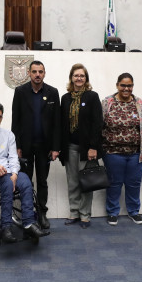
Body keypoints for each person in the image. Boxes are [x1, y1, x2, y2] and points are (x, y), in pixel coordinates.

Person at [0, 102, 49, 243]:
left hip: (7, 172)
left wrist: (14, 174)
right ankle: (5, 227)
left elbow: (13, 157)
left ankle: (29, 223)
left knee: (25, 181)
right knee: (6, 182)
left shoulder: (8, 135)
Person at [11, 60, 61, 229]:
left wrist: (55, 147)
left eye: (40, 71)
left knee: (42, 181)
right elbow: (15, 121)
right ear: (29, 74)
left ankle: (42, 213)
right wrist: (16, 145)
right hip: (25, 146)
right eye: (34, 71)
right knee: (26, 182)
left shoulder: (53, 92)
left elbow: (56, 123)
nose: (37, 74)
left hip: (45, 147)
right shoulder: (20, 91)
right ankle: (27, 214)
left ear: (44, 73)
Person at [101, 73, 142, 226]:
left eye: (129, 85)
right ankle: (112, 212)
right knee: (114, 183)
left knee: (134, 183)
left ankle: (133, 211)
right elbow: (98, 125)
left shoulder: (139, 103)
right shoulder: (107, 102)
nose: (126, 88)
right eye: (123, 85)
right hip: (112, 153)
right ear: (117, 85)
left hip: (136, 153)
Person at [58, 64, 103, 229]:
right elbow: (61, 124)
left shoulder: (92, 97)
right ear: (71, 78)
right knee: (73, 182)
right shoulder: (65, 98)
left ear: (86, 79)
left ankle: (85, 215)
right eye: (76, 75)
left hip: (87, 148)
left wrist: (93, 147)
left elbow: (97, 124)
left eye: (82, 76)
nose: (79, 78)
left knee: (86, 182)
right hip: (69, 147)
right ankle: (74, 212)